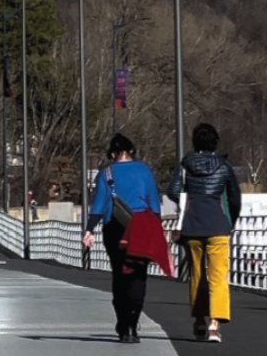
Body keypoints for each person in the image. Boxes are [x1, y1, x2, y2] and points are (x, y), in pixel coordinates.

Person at [82, 134, 169, 343]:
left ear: (112, 153)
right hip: (141, 226)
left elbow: (99, 204)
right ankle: (132, 323)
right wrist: (157, 228)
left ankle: (122, 322)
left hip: (115, 227)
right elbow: (154, 203)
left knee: (119, 274)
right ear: (131, 151)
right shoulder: (145, 171)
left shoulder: (106, 173)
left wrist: (89, 230)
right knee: (138, 274)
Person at [167, 123, 242, 343]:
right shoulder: (224, 166)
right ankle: (214, 326)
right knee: (218, 276)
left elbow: (172, 191)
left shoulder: (185, 164)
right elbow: (235, 196)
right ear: (215, 142)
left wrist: (188, 199)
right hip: (218, 225)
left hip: (192, 226)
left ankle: (199, 320)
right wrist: (232, 220)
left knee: (197, 275)